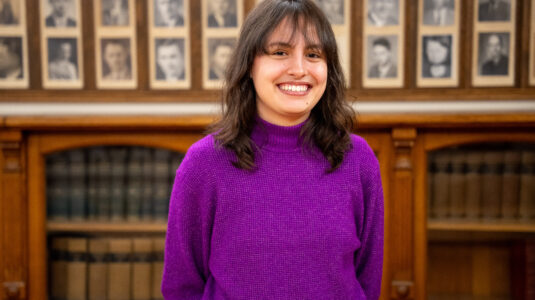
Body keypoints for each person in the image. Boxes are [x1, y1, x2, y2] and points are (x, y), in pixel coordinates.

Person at [161, 0, 384, 299]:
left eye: (314, 54)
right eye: (280, 52)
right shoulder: (204, 164)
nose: (299, 69)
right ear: (249, 65)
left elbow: (368, 278)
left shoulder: (358, 159)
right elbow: (182, 287)